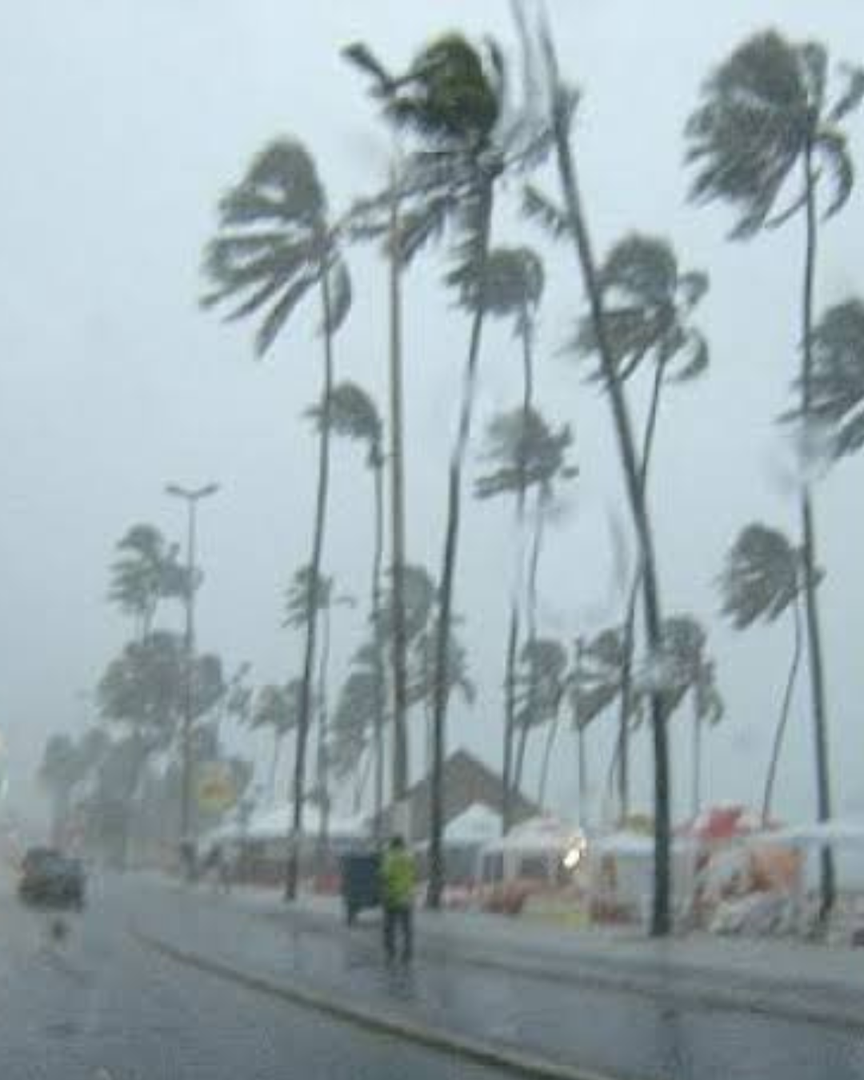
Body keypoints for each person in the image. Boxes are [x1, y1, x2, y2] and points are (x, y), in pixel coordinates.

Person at [380, 835, 415, 962]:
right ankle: (407, 952)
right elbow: (413, 875)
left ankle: (390, 953)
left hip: (392, 897)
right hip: (407, 897)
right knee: (406, 928)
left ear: (392, 845)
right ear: (402, 845)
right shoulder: (409, 857)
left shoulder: (390, 858)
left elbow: (385, 875)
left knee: (389, 927)